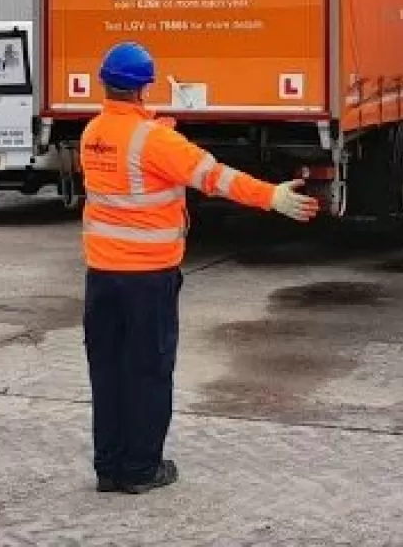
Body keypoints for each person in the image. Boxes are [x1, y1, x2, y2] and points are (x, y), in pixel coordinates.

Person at [77, 41, 319, 494]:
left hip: (101, 277)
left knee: (107, 372)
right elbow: (215, 177)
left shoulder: (93, 134)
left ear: (104, 83)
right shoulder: (155, 140)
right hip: (147, 279)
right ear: (145, 87)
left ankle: (109, 467)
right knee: (148, 371)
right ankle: (141, 468)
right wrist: (272, 196)